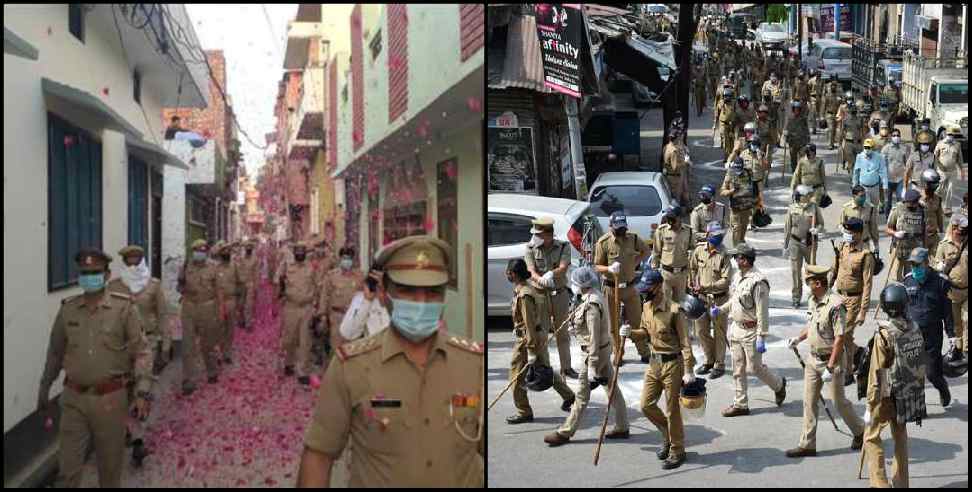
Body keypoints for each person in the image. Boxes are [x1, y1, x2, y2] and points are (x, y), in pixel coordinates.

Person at [298, 236, 483, 487]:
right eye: (407, 290)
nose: (421, 303)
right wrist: (364, 298)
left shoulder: (472, 364)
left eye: (433, 292)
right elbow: (319, 456)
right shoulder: (350, 367)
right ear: (385, 293)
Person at [38, 249, 152, 487]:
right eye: (85, 273)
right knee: (67, 471)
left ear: (107, 274)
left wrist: (142, 390)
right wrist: (44, 387)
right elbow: (56, 352)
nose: (90, 277)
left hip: (110, 400)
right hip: (73, 400)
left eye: (95, 272)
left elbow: (141, 351)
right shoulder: (68, 309)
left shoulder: (124, 309)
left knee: (109, 471)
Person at [785, 264, 865, 458]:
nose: (807, 285)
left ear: (818, 283)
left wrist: (830, 366)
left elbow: (840, 338)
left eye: (809, 282)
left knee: (839, 402)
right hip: (813, 359)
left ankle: (861, 432)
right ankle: (807, 444)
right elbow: (812, 325)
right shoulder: (814, 300)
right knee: (809, 401)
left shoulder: (836, 305)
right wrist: (799, 338)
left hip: (832, 361)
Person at [544, 267, 629, 446]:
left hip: (593, 353)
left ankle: (565, 432)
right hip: (603, 351)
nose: (572, 285)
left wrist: (592, 365)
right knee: (612, 389)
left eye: (574, 282)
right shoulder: (593, 295)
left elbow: (593, 337)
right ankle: (622, 426)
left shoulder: (591, 304)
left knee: (582, 396)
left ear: (580, 284)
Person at [620, 269, 696, 470]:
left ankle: (677, 450)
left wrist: (689, 370)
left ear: (657, 286)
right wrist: (629, 333)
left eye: (647, 288)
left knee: (672, 411)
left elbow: (685, 343)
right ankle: (668, 435)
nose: (644, 292)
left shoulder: (674, 310)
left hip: (673, 364)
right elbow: (644, 332)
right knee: (645, 404)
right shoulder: (646, 307)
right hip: (654, 363)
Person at [106, 245, 168, 467]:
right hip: (120, 347)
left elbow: (162, 314)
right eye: (128, 259)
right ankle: (125, 429)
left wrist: (166, 344)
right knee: (122, 389)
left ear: (142, 259)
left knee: (143, 389)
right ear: (123, 261)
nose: (133, 262)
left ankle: (139, 441)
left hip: (147, 343)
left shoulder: (153, 285)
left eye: (136, 258)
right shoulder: (114, 286)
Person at [862, 283, 926, 489]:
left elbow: (876, 372)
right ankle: (901, 484)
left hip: (886, 395)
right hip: (908, 393)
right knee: (900, 437)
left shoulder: (884, 335)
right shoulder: (915, 328)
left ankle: (879, 483)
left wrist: (870, 403)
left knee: (871, 436)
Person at [712, 243, 787, 417]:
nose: (735, 260)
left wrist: (762, 336)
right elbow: (735, 300)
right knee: (738, 368)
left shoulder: (758, 282)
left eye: (737, 257)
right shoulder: (738, 276)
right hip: (736, 328)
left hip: (752, 331)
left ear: (745, 260)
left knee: (755, 368)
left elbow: (762, 312)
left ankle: (778, 385)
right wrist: (721, 309)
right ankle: (740, 404)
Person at [505, 258, 575, 424]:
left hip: (528, 341)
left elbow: (529, 324)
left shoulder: (525, 295)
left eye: (508, 272)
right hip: (539, 338)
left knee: (515, 378)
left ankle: (524, 411)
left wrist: (530, 350)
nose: (506, 275)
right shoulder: (530, 289)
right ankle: (570, 396)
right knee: (545, 370)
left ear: (513, 274)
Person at [595, 211, 651, 363]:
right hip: (611, 288)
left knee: (637, 321)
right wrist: (608, 269)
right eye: (618, 227)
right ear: (610, 226)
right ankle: (618, 352)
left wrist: (634, 263)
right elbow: (597, 266)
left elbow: (646, 251)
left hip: (630, 287)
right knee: (613, 324)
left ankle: (644, 351)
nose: (621, 230)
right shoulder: (603, 242)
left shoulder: (632, 238)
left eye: (623, 227)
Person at [902, 247, 956, 407]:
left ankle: (942, 387)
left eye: (918, 265)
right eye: (912, 265)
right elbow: (903, 307)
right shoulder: (908, 280)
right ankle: (918, 407)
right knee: (913, 373)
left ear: (926, 263)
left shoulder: (941, 281)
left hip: (933, 333)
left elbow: (947, 311)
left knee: (932, 373)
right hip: (912, 333)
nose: (914, 268)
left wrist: (951, 334)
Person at [525, 217, 576, 378]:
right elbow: (530, 270)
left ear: (548, 234)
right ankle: (544, 367)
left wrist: (550, 273)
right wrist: (539, 279)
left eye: (539, 234)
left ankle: (566, 367)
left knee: (563, 333)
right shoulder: (531, 248)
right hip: (540, 295)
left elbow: (563, 266)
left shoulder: (563, 246)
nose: (536, 237)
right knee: (542, 334)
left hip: (559, 293)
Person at [829, 218, 875, 386]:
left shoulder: (865, 255)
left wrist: (863, 311)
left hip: (854, 299)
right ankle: (859, 353)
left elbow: (868, 283)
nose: (847, 235)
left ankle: (848, 373)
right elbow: (835, 269)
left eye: (850, 232)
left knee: (844, 334)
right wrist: (827, 290)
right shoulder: (842, 247)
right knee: (839, 334)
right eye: (846, 231)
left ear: (859, 233)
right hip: (838, 296)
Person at [178, 239, 225, 394]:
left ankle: (211, 371)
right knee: (188, 345)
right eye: (197, 250)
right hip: (189, 308)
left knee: (208, 343)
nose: (200, 252)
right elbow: (180, 286)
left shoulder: (213, 267)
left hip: (208, 308)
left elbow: (219, 290)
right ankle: (188, 379)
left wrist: (220, 311)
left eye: (203, 250)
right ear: (193, 251)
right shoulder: (185, 266)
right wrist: (184, 288)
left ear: (206, 251)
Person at [689, 222, 731, 379]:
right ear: (707, 235)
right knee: (701, 331)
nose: (718, 239)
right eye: (715, 236)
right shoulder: (699, 250)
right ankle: (709, 360)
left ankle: (719, 364)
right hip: (701, 299)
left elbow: (726, 280)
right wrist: (692, 283)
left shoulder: (724, 254)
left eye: (720, 236)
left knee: (720, 332)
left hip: (718, 300)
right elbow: (692, 267)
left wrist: (705, 286)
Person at [276, 241, 321, 386]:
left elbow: (318, 286)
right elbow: (277, 279)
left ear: (305, 253)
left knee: (305, 340)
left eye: (303, 251)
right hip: (290, 307)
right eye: (298, 251)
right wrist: (280, 292)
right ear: (294, 253)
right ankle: (289, 362)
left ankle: (302, 371)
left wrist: (316, 307)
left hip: (306, 308)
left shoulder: (311, 267)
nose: (300, 254)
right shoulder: (287, 266)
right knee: (289, 338)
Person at [317, 246, 365, 362]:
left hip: (354, 317)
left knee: (353, 349)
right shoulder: (331, 276)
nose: (346, 261)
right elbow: (324, 296)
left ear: (353, 260)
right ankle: (335, 377)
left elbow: (365, 296)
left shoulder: (360, 277)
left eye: (349, 258)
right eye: (344, 258)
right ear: (340, 259)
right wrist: (323, 316)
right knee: (336, 349)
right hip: (337, 317)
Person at [933, 214, 968, 360]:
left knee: (967, 320)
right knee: (956, 324)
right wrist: (941, 265)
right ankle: (958, 349)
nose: (963, 234)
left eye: (965, 232)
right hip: (952, 292)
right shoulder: (944, 245)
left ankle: (966, 350)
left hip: (967, 291)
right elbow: (936, 265)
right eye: (960, 231)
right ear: (953, 229)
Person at [784, 185, 825, 308]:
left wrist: (817, 230)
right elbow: (787, 228)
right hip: (795, 242)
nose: (807, 197)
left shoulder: (814, 208)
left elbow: (821, 224)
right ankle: (796, 297)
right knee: (795, 272)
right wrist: (785, 246)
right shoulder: (792, 208)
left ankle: (814, 295)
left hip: (809, 242)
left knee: (812, 271)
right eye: (804, 195)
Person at [651, 206, 693, 305]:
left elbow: (692, 249)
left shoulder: (688, 231)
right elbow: (656, 252)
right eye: (668, 217)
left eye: (672, 217)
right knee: (665, 304)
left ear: (679, 218)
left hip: (681, 274)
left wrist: (690, 274)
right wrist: (655, 271)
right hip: (666, 274)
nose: (670, 220)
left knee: (679, 306)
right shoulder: (661, 231)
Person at [338, 268, 391, 342]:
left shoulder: (393, 300)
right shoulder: (360, 299)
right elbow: (348, 333)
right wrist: (367, 301)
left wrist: (384, 300)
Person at [213, 241, 243, 364]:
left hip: (231, 300)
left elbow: (240, 283)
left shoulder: (234, 266)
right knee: (219, 328)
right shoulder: (215, 268)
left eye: (228, 251)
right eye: (224, 251)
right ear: (220, 254)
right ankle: (219, 353)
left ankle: (227, 353)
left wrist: (240, 302)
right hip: (218, 302)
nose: (226, 253)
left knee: (230, 329)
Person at [887, 190, 927, 282]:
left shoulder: (922, 210)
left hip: (914, 253)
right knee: (896, 280)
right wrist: (895, 233)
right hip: (899, 250)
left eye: (913, 203)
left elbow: (924, 231)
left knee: (912, 279)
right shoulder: (898, 209)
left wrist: (925, 248)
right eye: (908, 203)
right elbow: (888, 229)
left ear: (917, 202)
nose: (910, 206)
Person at [721, 156, 757, 246]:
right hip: (735, 207)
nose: (738, 171)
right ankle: (736, 249)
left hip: (746, 206)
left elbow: (753, 187)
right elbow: (722, 191)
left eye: (739, 168)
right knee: (736, 228)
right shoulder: (730, 174)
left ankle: (741, 242)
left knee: (744, 227)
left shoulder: (748, 172)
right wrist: (731, 191)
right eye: (736, 168)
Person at [934, 125, 966, 215]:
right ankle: (936, 204)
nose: (950, 136)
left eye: (952, 135)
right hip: (941, 171)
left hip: (952, 171)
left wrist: (962, 170)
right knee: (940, 189)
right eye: (949, 134)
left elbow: (960, 159)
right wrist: (936, 167)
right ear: (945, 134)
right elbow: (935, 157)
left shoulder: (957, 145)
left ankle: (947, 208)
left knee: (951, 190)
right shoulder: (940, 144)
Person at [881, 128, 911, 216]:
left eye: (898, 135)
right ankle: (888, 219)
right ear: (891, 137)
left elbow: (908, 164)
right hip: (888, 179)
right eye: (894, 135)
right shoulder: (886, 149)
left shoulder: (904, 149)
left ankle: (899, 220)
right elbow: (882, 164)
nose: (896, 137)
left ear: (900, 137)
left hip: (900, 179)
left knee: (900, 200)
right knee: (887, 202)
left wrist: (908, 178)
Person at [852, 138, 888, 211]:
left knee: (874, 208)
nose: (867, 149)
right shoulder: (859, 157)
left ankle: (873, 221)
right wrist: (854, 185)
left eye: (869, 147)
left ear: (873, 148)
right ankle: (865, 221)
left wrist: (885, 185)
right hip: (863, 188)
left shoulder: (879, 157)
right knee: (866, 207)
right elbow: (856, 172)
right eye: (865, 147)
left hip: (875, 187)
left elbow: (883, 172)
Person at [918, 169, 947, 258]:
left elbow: (939, 217)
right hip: (920, 238)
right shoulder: (916, 199)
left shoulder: (937, 199)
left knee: (935, 265)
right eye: (932, 184)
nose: (934, 187)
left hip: (934, 236)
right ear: (925, 184)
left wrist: (942, 233)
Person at [662, 127, 691, 206]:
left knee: (671, 198)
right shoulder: (674, 151)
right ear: (676, 138)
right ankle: (676, 216)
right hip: (675, 178)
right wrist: (685, 162)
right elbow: (675, 167)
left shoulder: (666, 147)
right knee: (676, 200)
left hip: (669, 176)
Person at [784, 101, 810, 173]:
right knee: (793, 158)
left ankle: (801, 171)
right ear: (793, 109)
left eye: (798, 109)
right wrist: (786, 135)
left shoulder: (803, 119)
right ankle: (794, 171)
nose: (796, 111)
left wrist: (808, 139)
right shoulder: (790, 118)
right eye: (795, 109)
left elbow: (806, 129)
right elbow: (786, 128)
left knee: (802, 157)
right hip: (792, 142)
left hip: (802, 142)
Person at [823, 78, 842, 149]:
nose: (833, 87)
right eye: (832, 85)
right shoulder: (827, 95)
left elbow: (842, 105)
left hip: (837, 114)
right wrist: (822, 116)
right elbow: (824, 105)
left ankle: (833, 142)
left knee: (834, 130)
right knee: (830, 129)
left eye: (835, 86)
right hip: (829, 114)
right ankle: (830, 144)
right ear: (830, 87)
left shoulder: (839, 95)